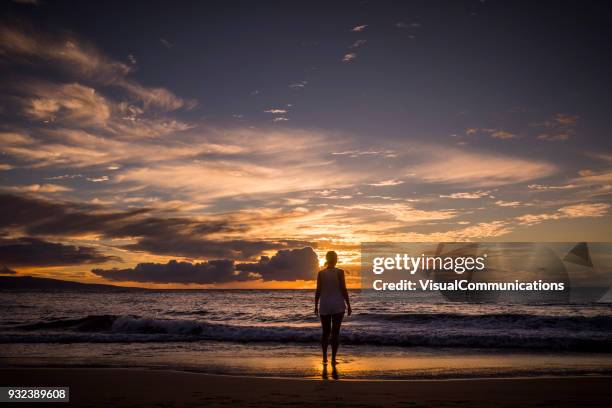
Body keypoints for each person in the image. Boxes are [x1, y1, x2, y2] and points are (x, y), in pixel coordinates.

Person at [314, 251, 351, 365]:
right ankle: (333, 359)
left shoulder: (321, 273)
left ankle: (325, 357)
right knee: (335, 333)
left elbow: (318, 290)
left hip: (324, 305)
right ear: (335, 259)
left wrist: (315, 305)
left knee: (325, 333)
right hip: (338, 305)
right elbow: (344, 289)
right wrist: (349, 304)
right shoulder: (340, 272)